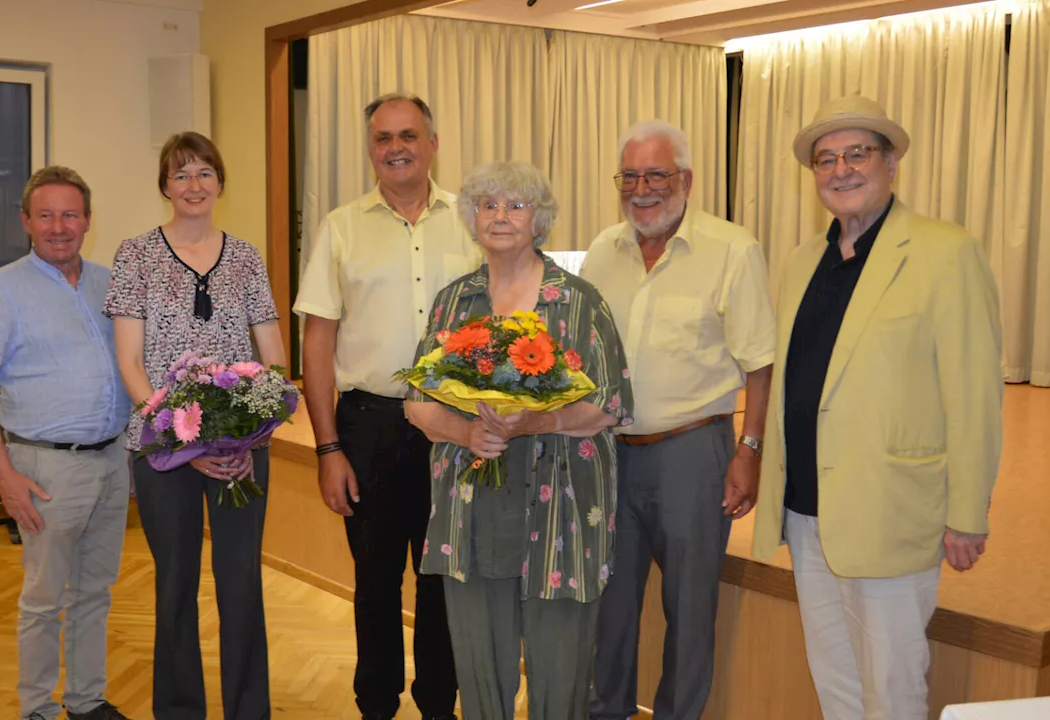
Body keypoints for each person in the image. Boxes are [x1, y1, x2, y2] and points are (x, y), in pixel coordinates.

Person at [751, 94, 1004, 720]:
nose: (841, 170)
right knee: (834, 679)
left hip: (890, 509)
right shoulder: (801, 261)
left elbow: (974, 394)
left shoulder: (946, 253)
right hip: (808, 510)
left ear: (891, 162)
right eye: (825, 159)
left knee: (890, 687)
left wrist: (968, 511)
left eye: (857, 153)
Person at [404, 161, 633, 720]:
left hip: (564, 509)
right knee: (480, 664)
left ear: (540, 220)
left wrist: (528, 422)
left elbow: (609, 405)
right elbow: (415, 402)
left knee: (560, 668)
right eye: (488, 205)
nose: (500, 216)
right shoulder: (453, 303)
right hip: (472, 505)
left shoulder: (579, 302)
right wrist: (468, 431)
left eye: (516, 205)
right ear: (472, 218)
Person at [582, 120, 777, 720]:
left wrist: (750, 448)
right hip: (608, 453)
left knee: (689, 610)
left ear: (686, 180)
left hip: (693, 454)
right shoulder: (601, 251)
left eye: (656, 175)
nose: (642, 190)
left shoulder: (731, 249)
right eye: (630, 177)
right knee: (607, 609)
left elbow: (761, 362)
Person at [293, 93, 478, 720]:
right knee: (373, 583)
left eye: (408, 135)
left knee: (442, 581)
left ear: (432, 142)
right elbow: (317, 344)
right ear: (370, 148)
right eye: (381, 138)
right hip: (369, 427)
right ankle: (375, 706)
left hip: (453, 429)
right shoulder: (340, 227)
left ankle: (437, 705)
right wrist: (327, 448)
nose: (395, 147)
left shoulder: (473, 221)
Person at [104, 132, 285, 720]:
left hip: (240, 448)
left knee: (240, 583)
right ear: (164, 186)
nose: (194, 185)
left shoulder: (247, 256)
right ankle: (180, 710)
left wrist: (251, 432)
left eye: (205, 173)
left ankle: (248, 710)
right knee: (175, 583)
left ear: (221, 184)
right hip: (162, 448)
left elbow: (273, 358)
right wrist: (183, 438)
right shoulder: (135, 255)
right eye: (181, 175)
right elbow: (131, 362)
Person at [0, 166, 132, 720]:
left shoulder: (112, 284)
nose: (60, 226)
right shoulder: (3, 290)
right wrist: (4, 476)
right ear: (26, 222)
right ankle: (37, 708)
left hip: (111, 458)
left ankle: (85, 701)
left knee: (94, 592)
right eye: (47, 215)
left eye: (71, 214)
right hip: (45, 470)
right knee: (42, 601)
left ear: (88, 220)